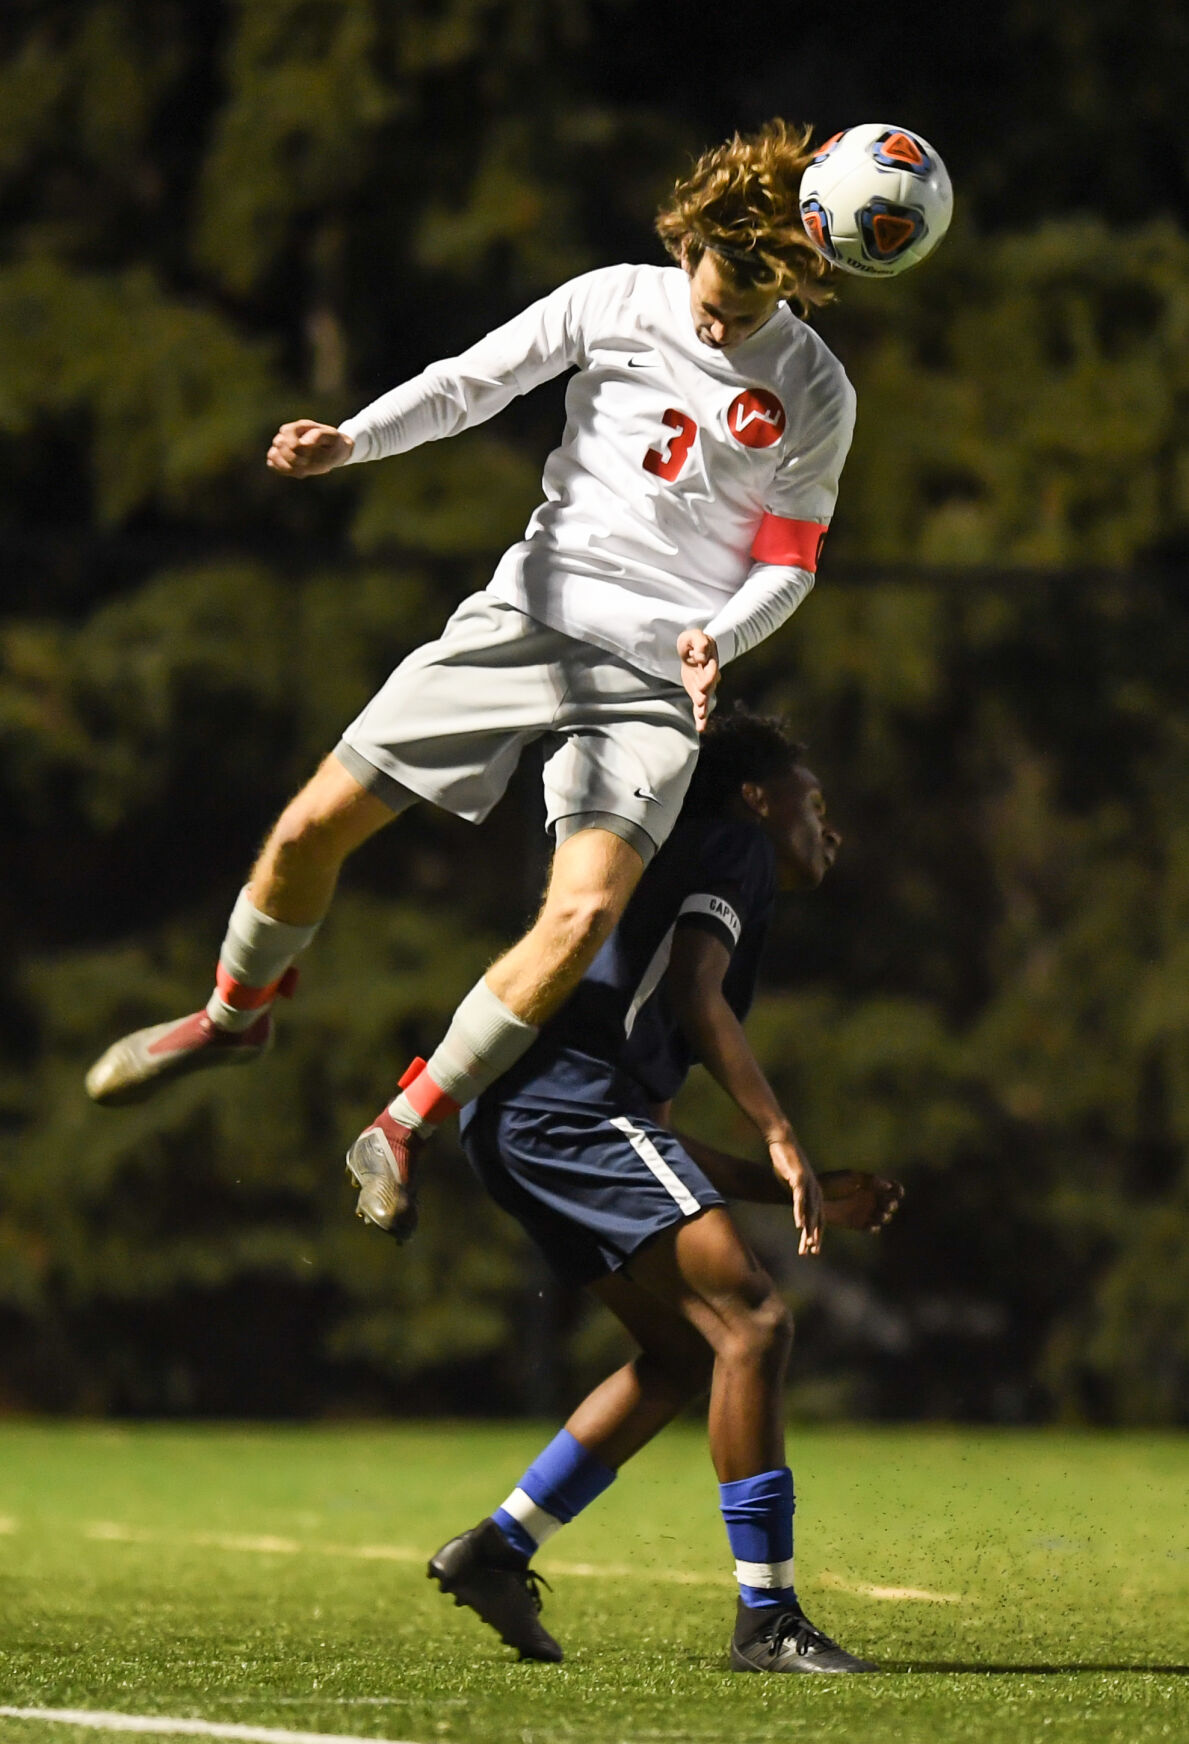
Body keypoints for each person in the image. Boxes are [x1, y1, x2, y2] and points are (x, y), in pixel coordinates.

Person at [84, 121, 856, 1245]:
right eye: (713, 293)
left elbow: (788, 559)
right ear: (688, 243)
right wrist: (350, 440)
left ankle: (403, 1123)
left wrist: (717, 640)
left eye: (746, 312)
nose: (718, 321)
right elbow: (472, 383)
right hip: (524, 619)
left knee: (583, 910)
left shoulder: (814, 388)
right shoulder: (613, 300)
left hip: (652, 676)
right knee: (308, 832)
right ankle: (231, 1017)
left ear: (789, 287)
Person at [430, 711, 901, 1673]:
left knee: (690, 1350)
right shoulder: (734, 845)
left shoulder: (683, 855)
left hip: (519, 1113)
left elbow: (654, 1136)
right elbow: (699, 994)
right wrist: (779, 1135)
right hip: (563, 1111)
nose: (828, 828)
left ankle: (496, 1550)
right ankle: (766, 1620)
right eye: (814, 804)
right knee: (756, 1325)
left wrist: (793, 1188)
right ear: (758, 799)